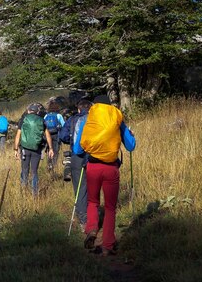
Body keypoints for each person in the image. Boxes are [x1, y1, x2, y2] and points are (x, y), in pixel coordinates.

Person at [73, 95, 136, 256]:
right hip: (111, 168)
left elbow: (77, 150)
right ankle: (108, 244)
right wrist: (131, 134)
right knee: (110, 207)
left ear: (95, 105)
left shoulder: (89, 119)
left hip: (92, 167)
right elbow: (130, 146)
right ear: (110, 105)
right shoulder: (116, 118)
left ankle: (91, 230)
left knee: (93, 201)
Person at [14, 103, 55, 197]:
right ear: (37, 112)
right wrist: (51, 148)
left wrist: (15, 149)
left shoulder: (23, 120)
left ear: (28, 111)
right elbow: (48, 136)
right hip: (37, 150)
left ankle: (24, 191)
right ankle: (34, 194)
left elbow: (18, 136)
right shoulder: (42, 120)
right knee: (34, 171)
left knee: (24, 169)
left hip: (25, 149)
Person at [68, 99, 93, 232]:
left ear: (79, 108)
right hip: (94, 156)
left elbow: (64, 136)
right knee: (92, 187)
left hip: (77, 156)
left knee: (79, 188)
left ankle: (83, 219)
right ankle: (93, 217)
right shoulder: (94, 119)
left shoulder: (73, 119)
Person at [44, 102, 66, 172]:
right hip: (57, 134)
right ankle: (54, 165)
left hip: (47, 135)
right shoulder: (58, 115)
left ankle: (49, 164)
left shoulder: (46, 116)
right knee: (56, 150)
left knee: (49, 149)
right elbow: (64, 125)